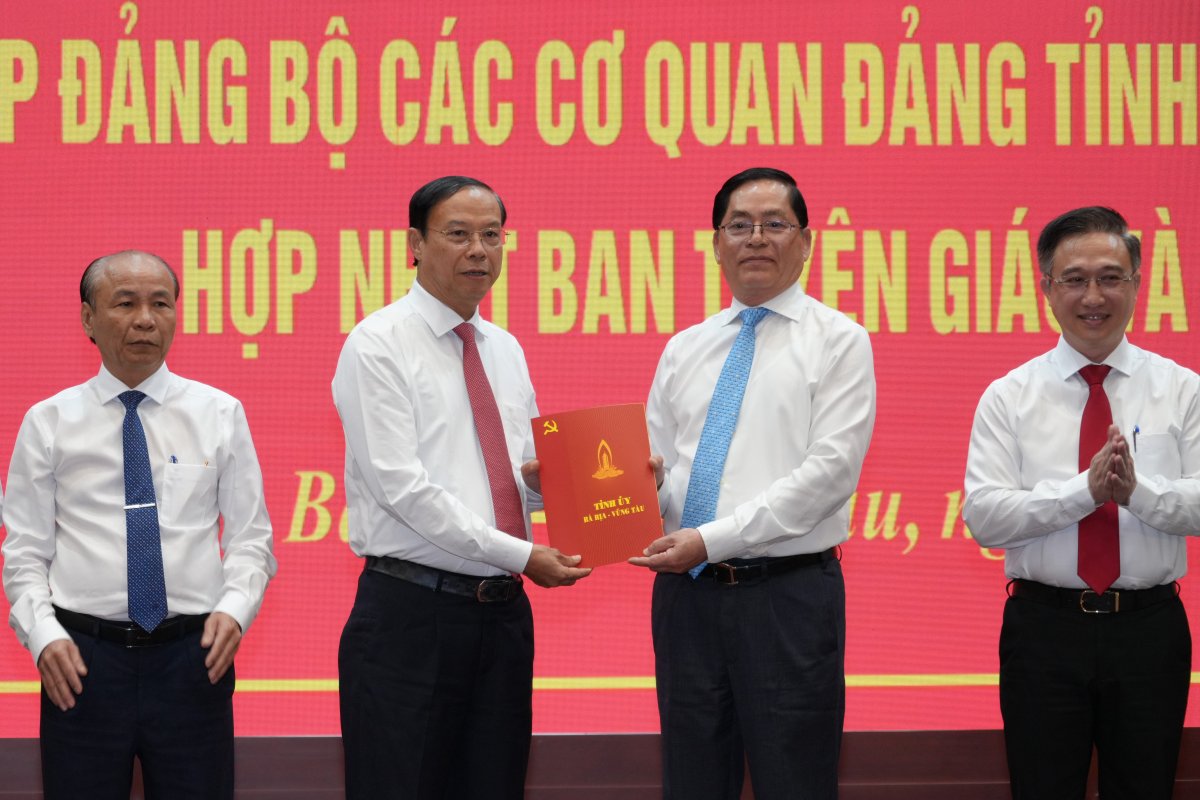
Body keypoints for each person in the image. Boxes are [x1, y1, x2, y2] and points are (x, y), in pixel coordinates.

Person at [332, 175, 591, 799]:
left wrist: (608, 482)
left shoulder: (504, 349)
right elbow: (402, 487)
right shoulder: (378, 344)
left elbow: (520, 479)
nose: (479, 250)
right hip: (411, 617)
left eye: (492, 235)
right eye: (458, 234)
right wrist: (522, 555)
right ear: (415, 244)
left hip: (502, 619)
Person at [631, 167, 877, 799]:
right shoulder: (684, 348)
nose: (757, 238)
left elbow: (830, 474)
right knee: (691, 780)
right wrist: (598, 494)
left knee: (794, 781)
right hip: (687, 598)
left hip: (786, 597)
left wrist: (711, 539)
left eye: (775, 224)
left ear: (806, 241)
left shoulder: (839, 341)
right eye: (739, 225)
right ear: (716, 244)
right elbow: (659, 473)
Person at [1, 250, 277, 799]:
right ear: (88, 318)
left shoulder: (219, 413)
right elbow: (25, 551)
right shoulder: (49, 421)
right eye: (125, 304)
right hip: (81, 663)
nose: (145, 320)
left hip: (192, 659)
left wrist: (235, 609)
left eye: (161, 304)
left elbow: (251, 539)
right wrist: (43, 635)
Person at [964, 206, 1200, 799]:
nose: (1093, 296)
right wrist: (1083, 493)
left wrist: (1136, 493)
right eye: (1074, 279)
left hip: (1149, 630)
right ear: (1047, 287)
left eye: (1110, 277)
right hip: (1044, 630)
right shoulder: (1008, 396)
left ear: (1137, 283)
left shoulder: (1183, 389)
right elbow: (985, 517)